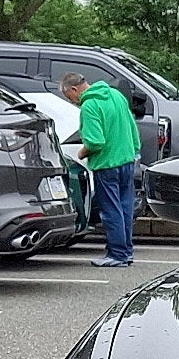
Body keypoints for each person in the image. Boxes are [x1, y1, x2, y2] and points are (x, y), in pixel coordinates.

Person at [60, 72, 141, 267]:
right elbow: (132, 127)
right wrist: (134, 149)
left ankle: (117, 254)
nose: (72, 102)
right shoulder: (115, 95)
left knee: (111, 210)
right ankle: (126, 251)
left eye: (69, 97)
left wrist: (81, 153)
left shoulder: (89, 106)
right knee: (125, 208)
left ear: (73, 89)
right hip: (127, 160)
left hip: (106, 165)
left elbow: (95, 142)